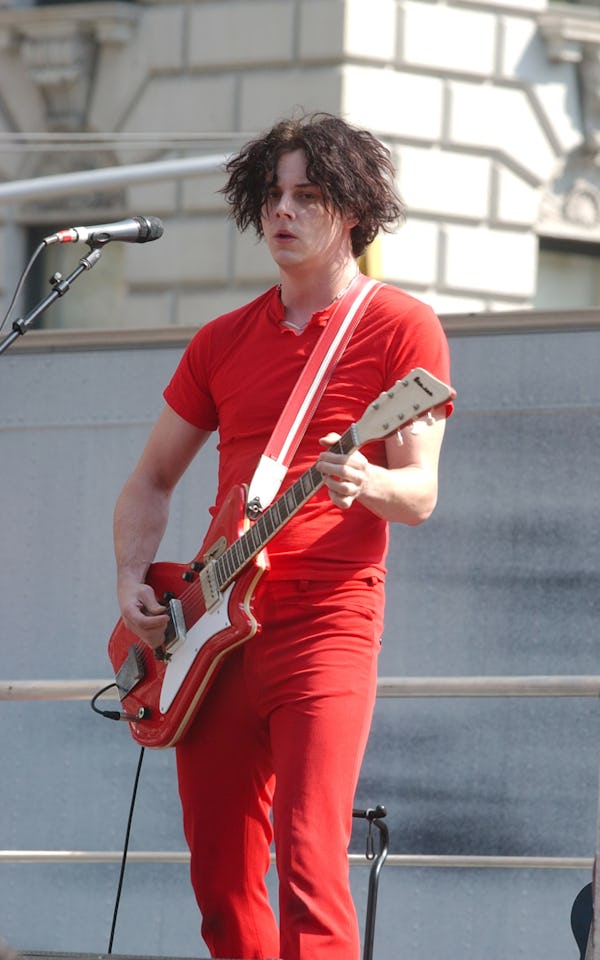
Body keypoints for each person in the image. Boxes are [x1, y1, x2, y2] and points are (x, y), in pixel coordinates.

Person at [113, 111, 453, 960]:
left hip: (327, 622)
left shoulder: (401, 326)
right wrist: (131, 580)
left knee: (309, 860)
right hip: (211, 627)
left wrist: (368, 482)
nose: (283, 211)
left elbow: (419, 494)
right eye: (272, 194)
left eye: (307, 195)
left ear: (353, 210)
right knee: (222, 882)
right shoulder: (220, 340)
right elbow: (150, 480)